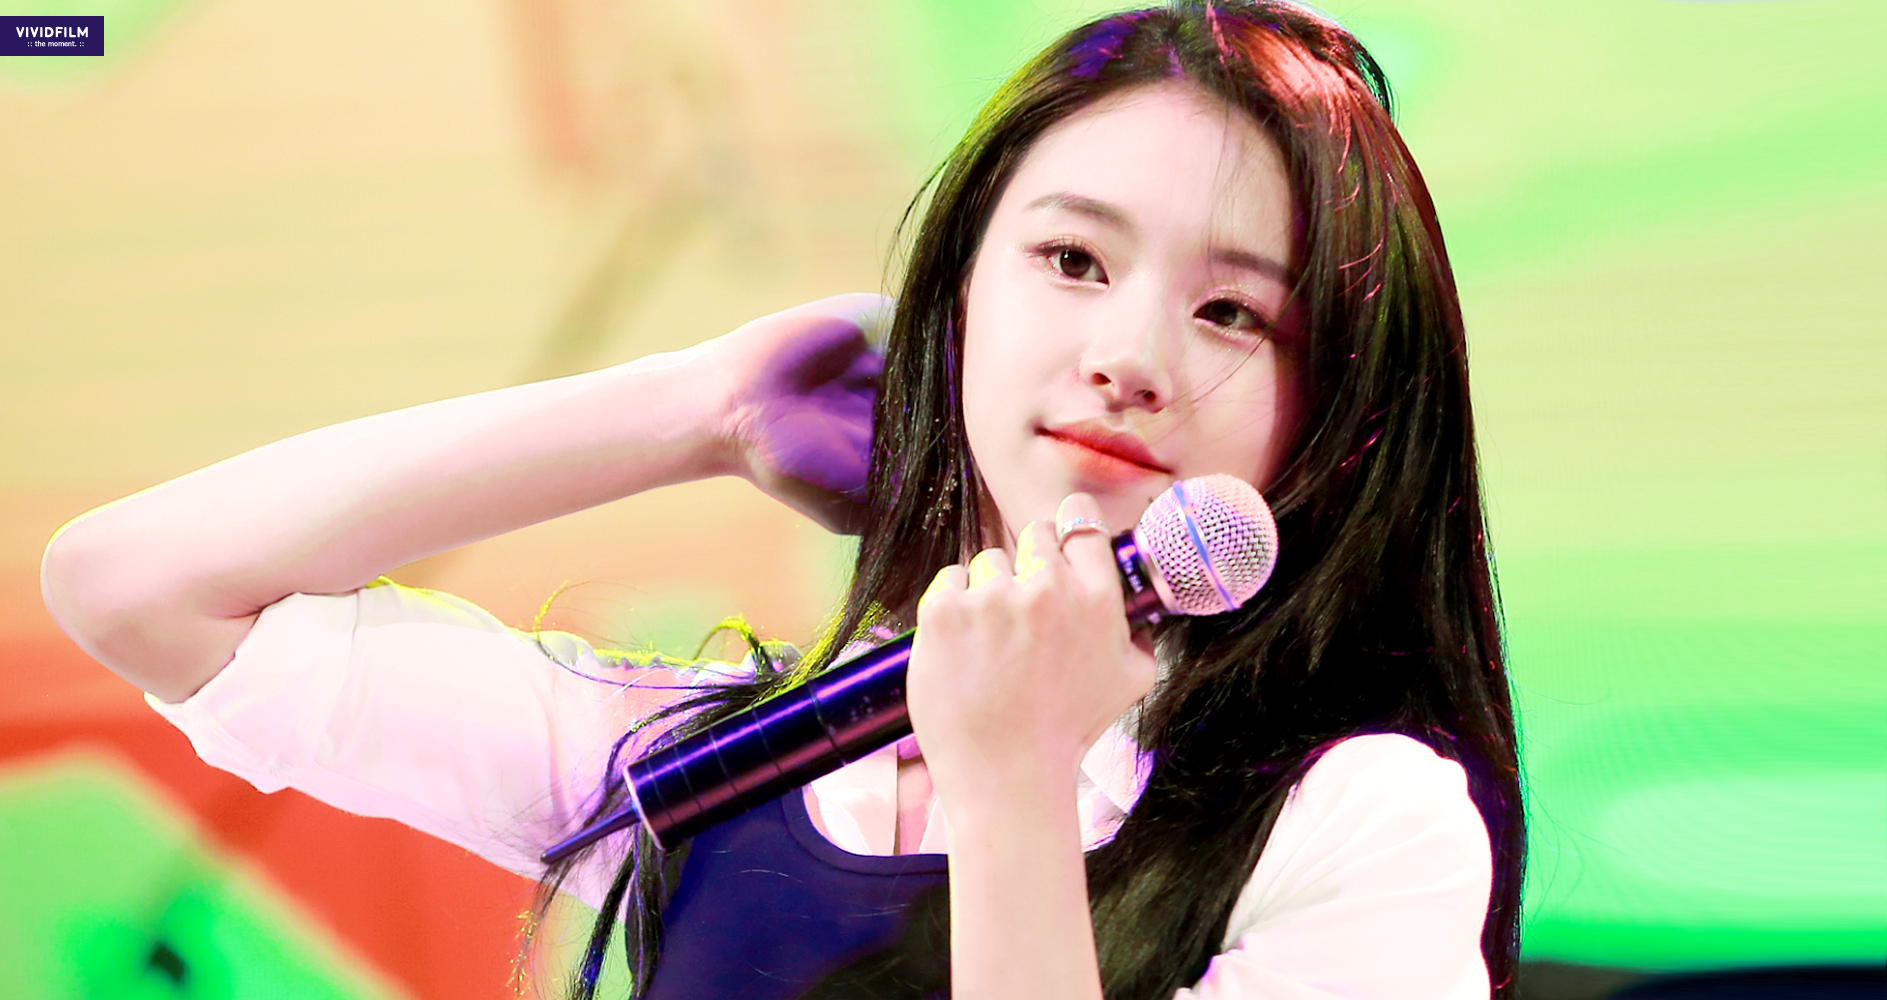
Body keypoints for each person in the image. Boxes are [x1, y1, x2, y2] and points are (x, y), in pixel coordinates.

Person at [40, 2, 1524, 999]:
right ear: (955, 302)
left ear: (1333, 412)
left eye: (1234, 314)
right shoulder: (712, 763)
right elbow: (136, 587)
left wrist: (1012, 781)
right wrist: (705, 408)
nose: (1130, 356)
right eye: (1071, 262)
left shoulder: (1360, 819)